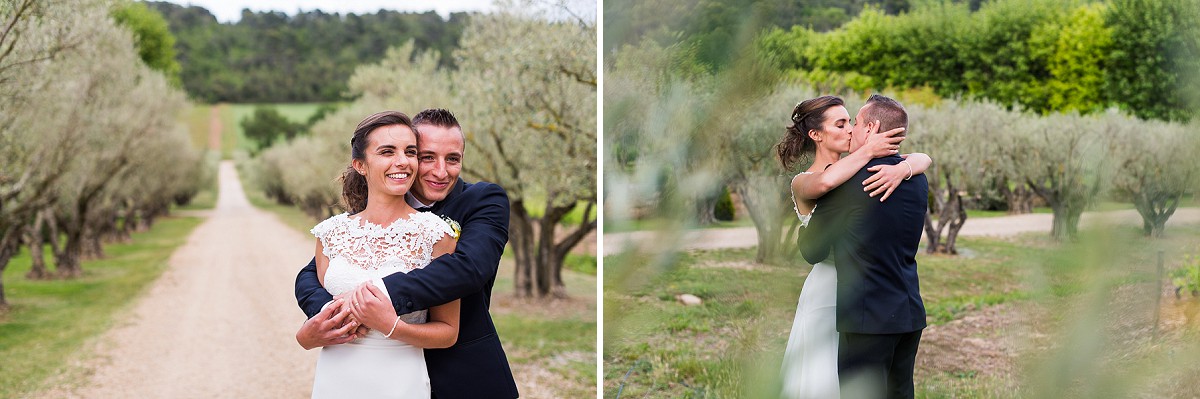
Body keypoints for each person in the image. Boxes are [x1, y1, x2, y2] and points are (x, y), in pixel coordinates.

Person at [295, 109, 520, 398]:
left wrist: (371, 296)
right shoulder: (362, 216)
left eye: (453, 159)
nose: (441, 171)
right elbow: (312, 273)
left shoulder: (481, 201)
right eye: (427, 156)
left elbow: (469, 268)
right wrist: (326, 318)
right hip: (348, 375)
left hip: (461, 375)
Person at [777, 95, 932, 399]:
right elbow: (824, 185)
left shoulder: (882, 176)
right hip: (842, 297)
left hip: (862, 304)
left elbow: (921, 158)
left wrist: (903, 166)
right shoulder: (812, 182)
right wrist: (883, 156)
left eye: (853, 122)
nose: (849, 129)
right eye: (841, 123)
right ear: (816, 135)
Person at [305, 110, 459, 398]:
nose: (402, 162)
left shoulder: (436, 235)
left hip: (401, 381)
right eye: (388, 151)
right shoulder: (330, 233)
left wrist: (391, 326)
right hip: (335, 379)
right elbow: (316, 324)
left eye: (410, 152)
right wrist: (306, 337)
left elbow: (448, 332)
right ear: (360, 165)